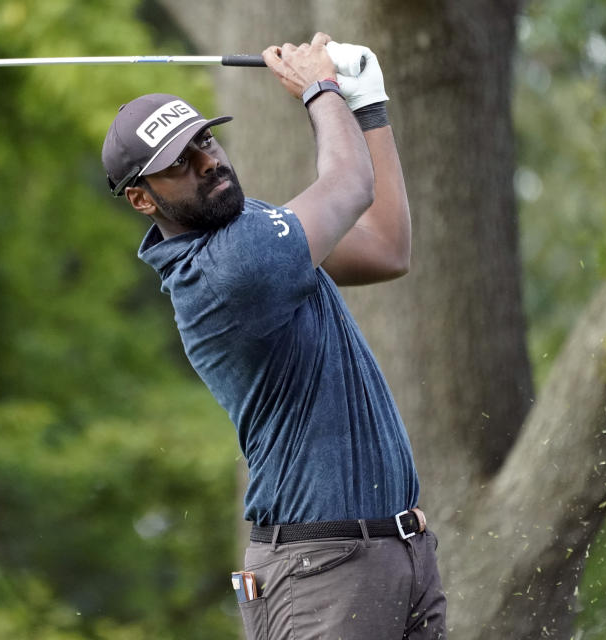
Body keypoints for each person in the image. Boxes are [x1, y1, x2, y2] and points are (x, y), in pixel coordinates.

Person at [101, 32, 446, 639]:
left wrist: (369, 106)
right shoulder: (231, 267)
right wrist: (322, 89)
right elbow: (349, 187)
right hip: (322, 573)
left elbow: (389, 248)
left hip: (396, 555)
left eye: (205, 140)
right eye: (178, 164)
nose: (207, 161)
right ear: (141, 198)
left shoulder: (255, 229)